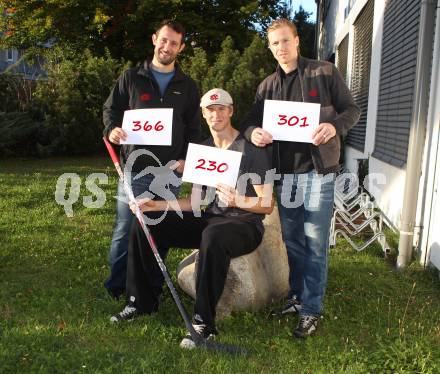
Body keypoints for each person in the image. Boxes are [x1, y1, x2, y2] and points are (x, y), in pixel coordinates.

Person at [110, 88, 274, 349]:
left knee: (213, 235)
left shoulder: (251, 149)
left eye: (221, 108)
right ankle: (141, 302)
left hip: (245, 225)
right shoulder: (202, 150)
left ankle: (203, 323)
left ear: (231, 111)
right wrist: (156, 204)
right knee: (148, 221)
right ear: (204, 114)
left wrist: (237, 201)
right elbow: (196, 203)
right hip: (211, 218)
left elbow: (266, 204)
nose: (216, 114)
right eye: (210, 109)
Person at [242, 19, 360, 338]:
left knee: (315, 242)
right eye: (274, 44)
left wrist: (334, 126)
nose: (281, 48)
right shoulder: (266, 86)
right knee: (292, 240)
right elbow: (249, 122)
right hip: (284, 176)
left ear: (297, 41)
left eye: (285, 41)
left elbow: (351, 109)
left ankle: (311, 309)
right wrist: (255, 133)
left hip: (318, 172)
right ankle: (297, 296)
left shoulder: (323, 72)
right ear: (270, 48)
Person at [102, 20, 201, 299]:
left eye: (173, 43)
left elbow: (194, 129)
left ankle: (151, 285)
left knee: (159, 228)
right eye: (163, 40)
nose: (166, 47)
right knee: (127, 227)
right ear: (154, 39)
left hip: (169, 172)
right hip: (134, 167)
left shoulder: (188, 86)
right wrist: (113, 130)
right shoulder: (131, 78)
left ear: (180, 48)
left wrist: (186, 160)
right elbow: (111, 110)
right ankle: (118, 285)